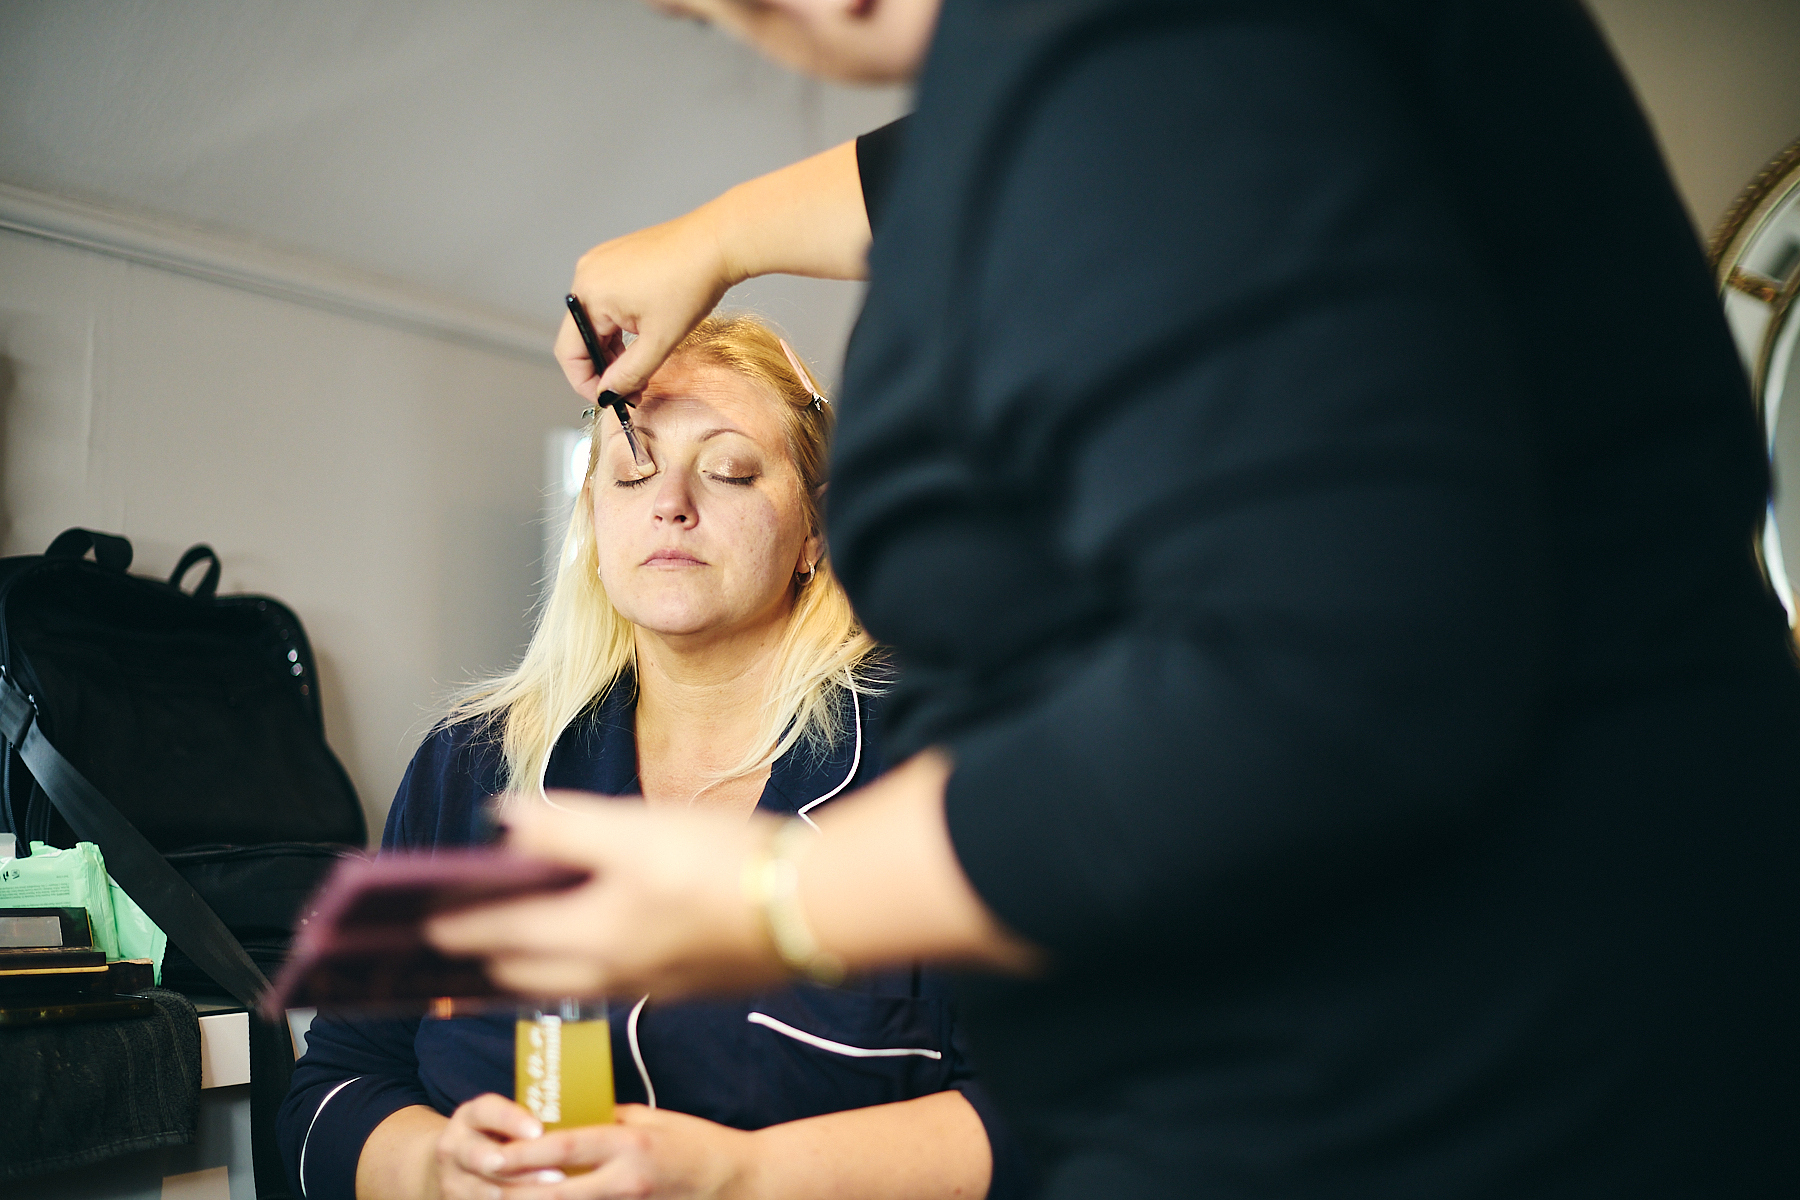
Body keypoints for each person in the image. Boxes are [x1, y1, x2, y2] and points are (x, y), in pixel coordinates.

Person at [431, 1, 1800, 1197]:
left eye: (734, 470)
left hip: (1462, 1086)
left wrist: (784, 899)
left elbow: (1329, 674)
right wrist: (720, 235)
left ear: (811, 528)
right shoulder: (1104, 77)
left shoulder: (1128, 44)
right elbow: (1053, 138)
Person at [275, 315, 1027, 1200]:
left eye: (729, 469)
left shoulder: (944, 770)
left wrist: (743, 1176)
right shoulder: (468, 767)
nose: (670, 501)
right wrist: (439, 1169)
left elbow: (1065, 1118)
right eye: (633, 471)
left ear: (816, 531)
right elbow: (334, 1088)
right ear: (594, 518)